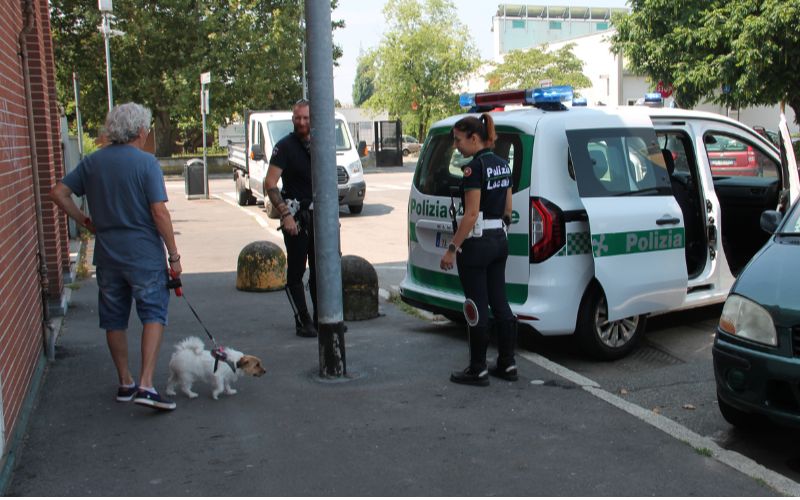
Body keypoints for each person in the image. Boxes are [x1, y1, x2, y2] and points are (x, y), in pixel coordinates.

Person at [51, 102, 180, 411]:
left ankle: (125, 382)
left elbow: (58, 193)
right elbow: (159, 212)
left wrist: (84, 221)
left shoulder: (92, 162)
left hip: (107, 255)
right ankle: (146, 385)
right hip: (144, 255)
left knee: (114, 319)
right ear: (140, 131)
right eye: (147, 128)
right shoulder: (146, 164)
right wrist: (173, 255)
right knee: (153, 314)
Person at [440, 113, 517, 387]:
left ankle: (478, 368)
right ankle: (508, 363)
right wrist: (500, 228)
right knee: (500, 301)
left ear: (474, 138)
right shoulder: (502, 166)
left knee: (475, 305)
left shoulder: (474, 169)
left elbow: (471, 214)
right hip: (499, 240)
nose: (457, 146)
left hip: (477, 244)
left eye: (459, 140)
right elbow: (508, 209)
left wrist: (452, 248)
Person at [265, 100, 318, 338]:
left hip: (319, 216)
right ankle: (303, 320)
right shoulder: (284, 147)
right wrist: (285, 214)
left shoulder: (320, 143)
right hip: (296, 217)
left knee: (322, 270)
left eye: (306, 118)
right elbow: (270, 183)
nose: (302, 122)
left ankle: (323, 318)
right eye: (298, 118)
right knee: (296, 272)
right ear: (293, 118)